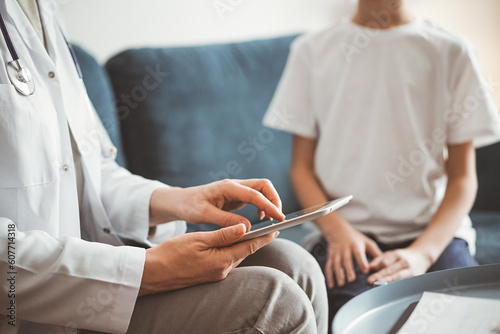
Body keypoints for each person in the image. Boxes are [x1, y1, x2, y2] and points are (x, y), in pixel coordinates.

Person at [0, 0, 328, 333]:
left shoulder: (42, 11)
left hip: (90, 279)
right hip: (28, 313)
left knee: (295, 264)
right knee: (275, 299)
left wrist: (181, 201)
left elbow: (87, 174)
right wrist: (149, 269)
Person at [263, 0, 500, 329]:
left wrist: (423, 254)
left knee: (467, 319)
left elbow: (463, 178)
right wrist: (338, 233)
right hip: (346, 237)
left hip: (436, 235)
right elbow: (301, 169)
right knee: (359, 320)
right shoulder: (311, 50)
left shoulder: (452, 51)